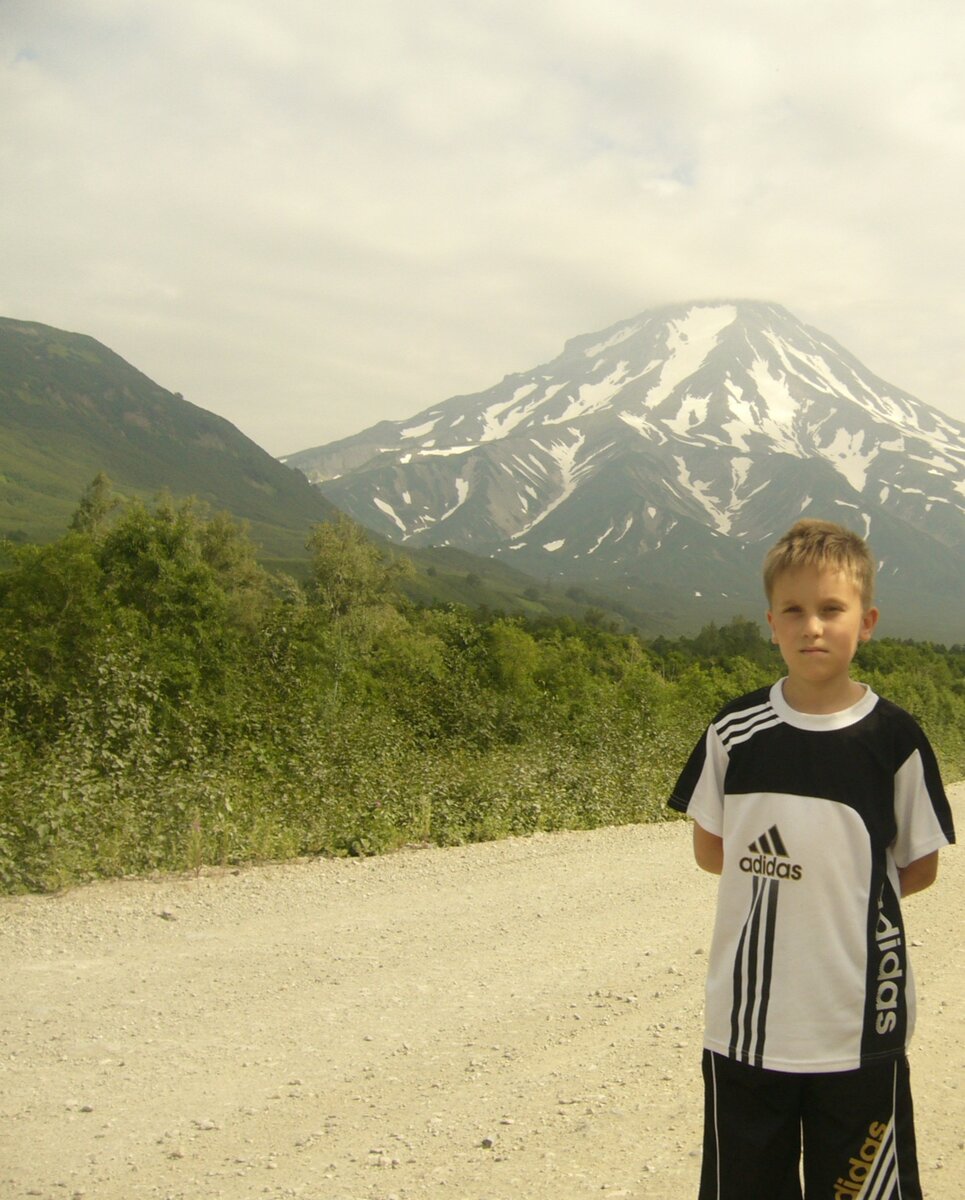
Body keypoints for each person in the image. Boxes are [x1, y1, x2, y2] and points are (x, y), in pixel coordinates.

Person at [667, 518, 955, 1200]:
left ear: (867, 622)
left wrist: (842, 890)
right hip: (745, 1027)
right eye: (793, 611)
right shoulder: (734, 731)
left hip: (860, 1022)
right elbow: (711, 850)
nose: (812, 627)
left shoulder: (895, 739)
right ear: (770, 623)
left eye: (831, 609)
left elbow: (919, 867)